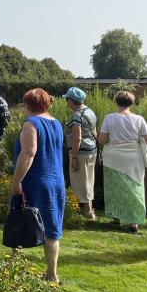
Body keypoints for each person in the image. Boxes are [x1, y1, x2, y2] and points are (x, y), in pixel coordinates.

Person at [12, 88, 65, 283]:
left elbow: (28, 153)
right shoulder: (56, 123)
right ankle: (52, 273)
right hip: (56, 181)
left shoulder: (31, 123)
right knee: (52, 227)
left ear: (28, 105)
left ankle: (14, 266)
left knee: (19, 220)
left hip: (34, 181)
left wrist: (16, 181)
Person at [98, 91, 147, 234]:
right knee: (135, 187)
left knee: (114, 187)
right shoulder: (139, 119)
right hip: (133, 158)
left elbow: (102, 140)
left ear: (116, 102)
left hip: (113, 157)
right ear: (132, 103)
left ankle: (116, 217)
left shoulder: (109, 118)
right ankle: (134, 221)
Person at [63, 87, 98, 220]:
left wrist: (74, 157)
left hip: (80, 152)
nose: (67, 102)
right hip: (91, 150)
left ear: (72, 101)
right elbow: (94, 131)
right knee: (89, 179)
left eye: (67, 99)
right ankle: (89, 209)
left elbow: (77, 137)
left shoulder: (76, 116)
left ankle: (87, 211)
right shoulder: (90, 112)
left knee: (79, 180)